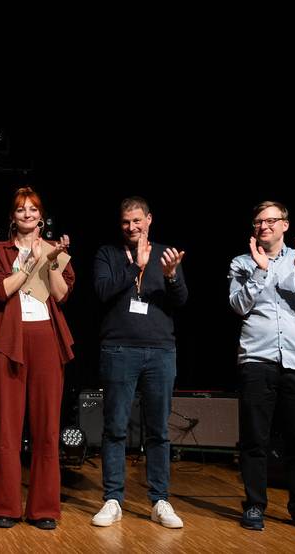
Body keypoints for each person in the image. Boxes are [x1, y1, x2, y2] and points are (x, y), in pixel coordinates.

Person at [228, 201, 295, 533]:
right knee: (255, 439)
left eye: (271, 220)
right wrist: (259, 270)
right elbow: (238, 305)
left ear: (285, 224)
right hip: (257, 359)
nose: (264, 225)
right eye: (258, 221)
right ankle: (255, 505)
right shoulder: (241, 263)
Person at [91, 196, 187, 529]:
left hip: (161, 351)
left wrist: (172, 275)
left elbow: (181, 300)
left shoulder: (166, 254)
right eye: (125, 222)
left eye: (137, 220)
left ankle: (160, 500)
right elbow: (102, 291)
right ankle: (113, 499)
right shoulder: (108, 254)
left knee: (158, 431)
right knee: (115, 428)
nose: (131, 227)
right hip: (118, 350)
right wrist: (136, 266)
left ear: (149, 219)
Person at [0, 187, 74, 530]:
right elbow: (1, 290)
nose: (27, 214)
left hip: (46, 340)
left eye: (33, 209)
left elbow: (61, 294)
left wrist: (49, 260)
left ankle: (44, 508)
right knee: (7, 426)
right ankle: (6, 506)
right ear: (13, 216)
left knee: (47, 427)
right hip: (10, 339)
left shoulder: (55, 249)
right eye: (20, 209)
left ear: (41, 215)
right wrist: (30, 263)